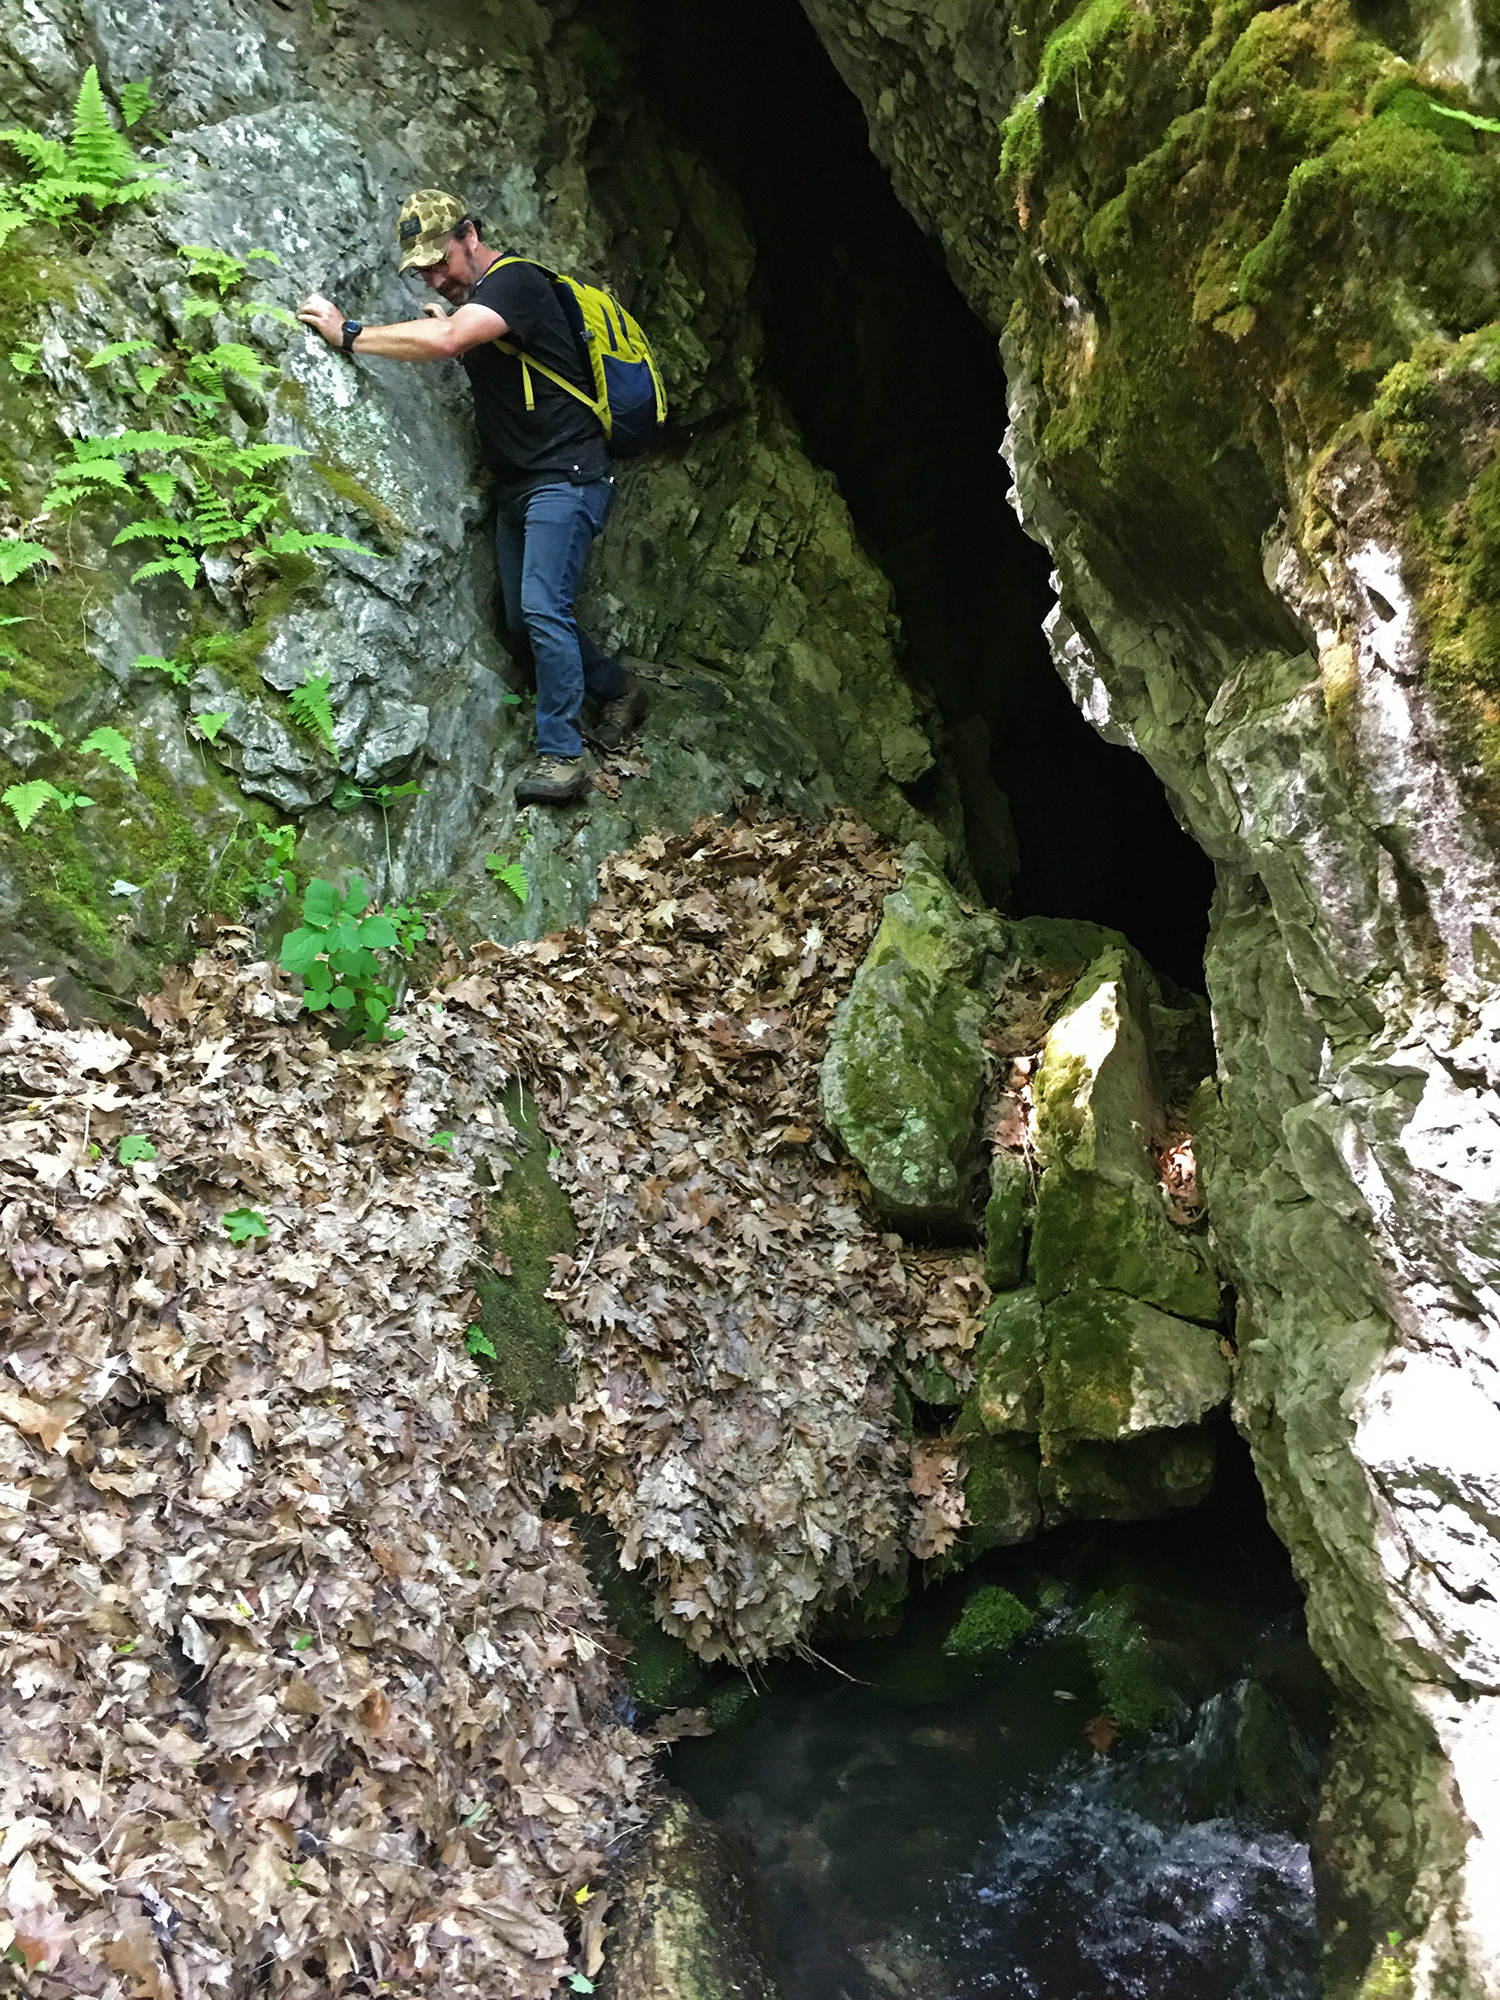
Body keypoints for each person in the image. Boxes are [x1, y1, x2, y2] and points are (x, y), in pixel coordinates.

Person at [296, 189, 647, 805]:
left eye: (442, 260)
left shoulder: (516, 283)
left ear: (471, 235)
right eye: (423, 269)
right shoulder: (485, 304)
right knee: (521, 619)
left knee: (541, 610)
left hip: (567, 478)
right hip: (523, 485)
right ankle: (619, 690)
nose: (436, 275)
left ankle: (562, 756)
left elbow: (449, 342)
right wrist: (446, 327)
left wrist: (346, 332)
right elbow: (468, 341)